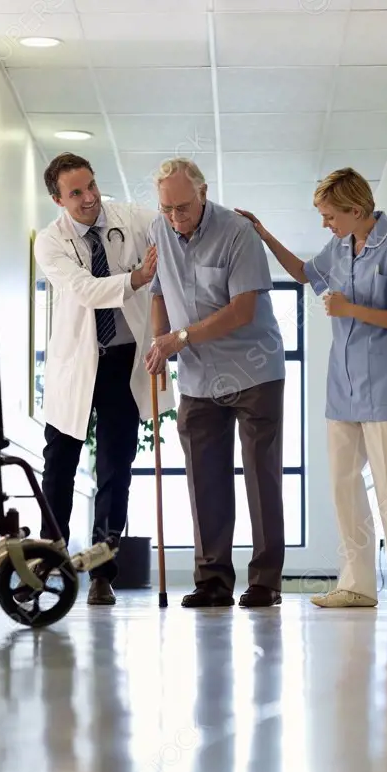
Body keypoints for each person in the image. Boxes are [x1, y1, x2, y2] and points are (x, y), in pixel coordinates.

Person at [237, 167, 387, 610]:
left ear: (356, 209)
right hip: (342, 389)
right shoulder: (340, 247)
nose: (325, 224)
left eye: (330, 216)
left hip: (385, 388)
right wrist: (263, 234)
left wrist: (351, 308)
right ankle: (357, 584)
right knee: (344, 489)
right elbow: (305, 273)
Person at [144, 158, 285, 609]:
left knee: (262, 478)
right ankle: (212, 580)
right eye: (167, 209)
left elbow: (243, 309)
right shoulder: (158, 230)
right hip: (197, 376)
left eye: (183, 207)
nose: (175, 218)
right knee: (204, 479)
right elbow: (160, 293)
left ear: (203, 193)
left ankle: (265, 581)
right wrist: (160, 347)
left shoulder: (238, 233)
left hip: (254, 370)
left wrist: (180, 338)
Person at [35, 152, 175, 606]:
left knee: (117, 470)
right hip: (76, 365)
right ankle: (47, 562)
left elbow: (173, 218)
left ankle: (102, 571)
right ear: (58, 199)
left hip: (123, 362)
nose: (89, 198)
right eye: (76, 193)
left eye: (91, 186)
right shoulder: (50, 243)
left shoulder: (129, 218)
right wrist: (136, 277)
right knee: (59, 468)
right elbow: (83, 290)